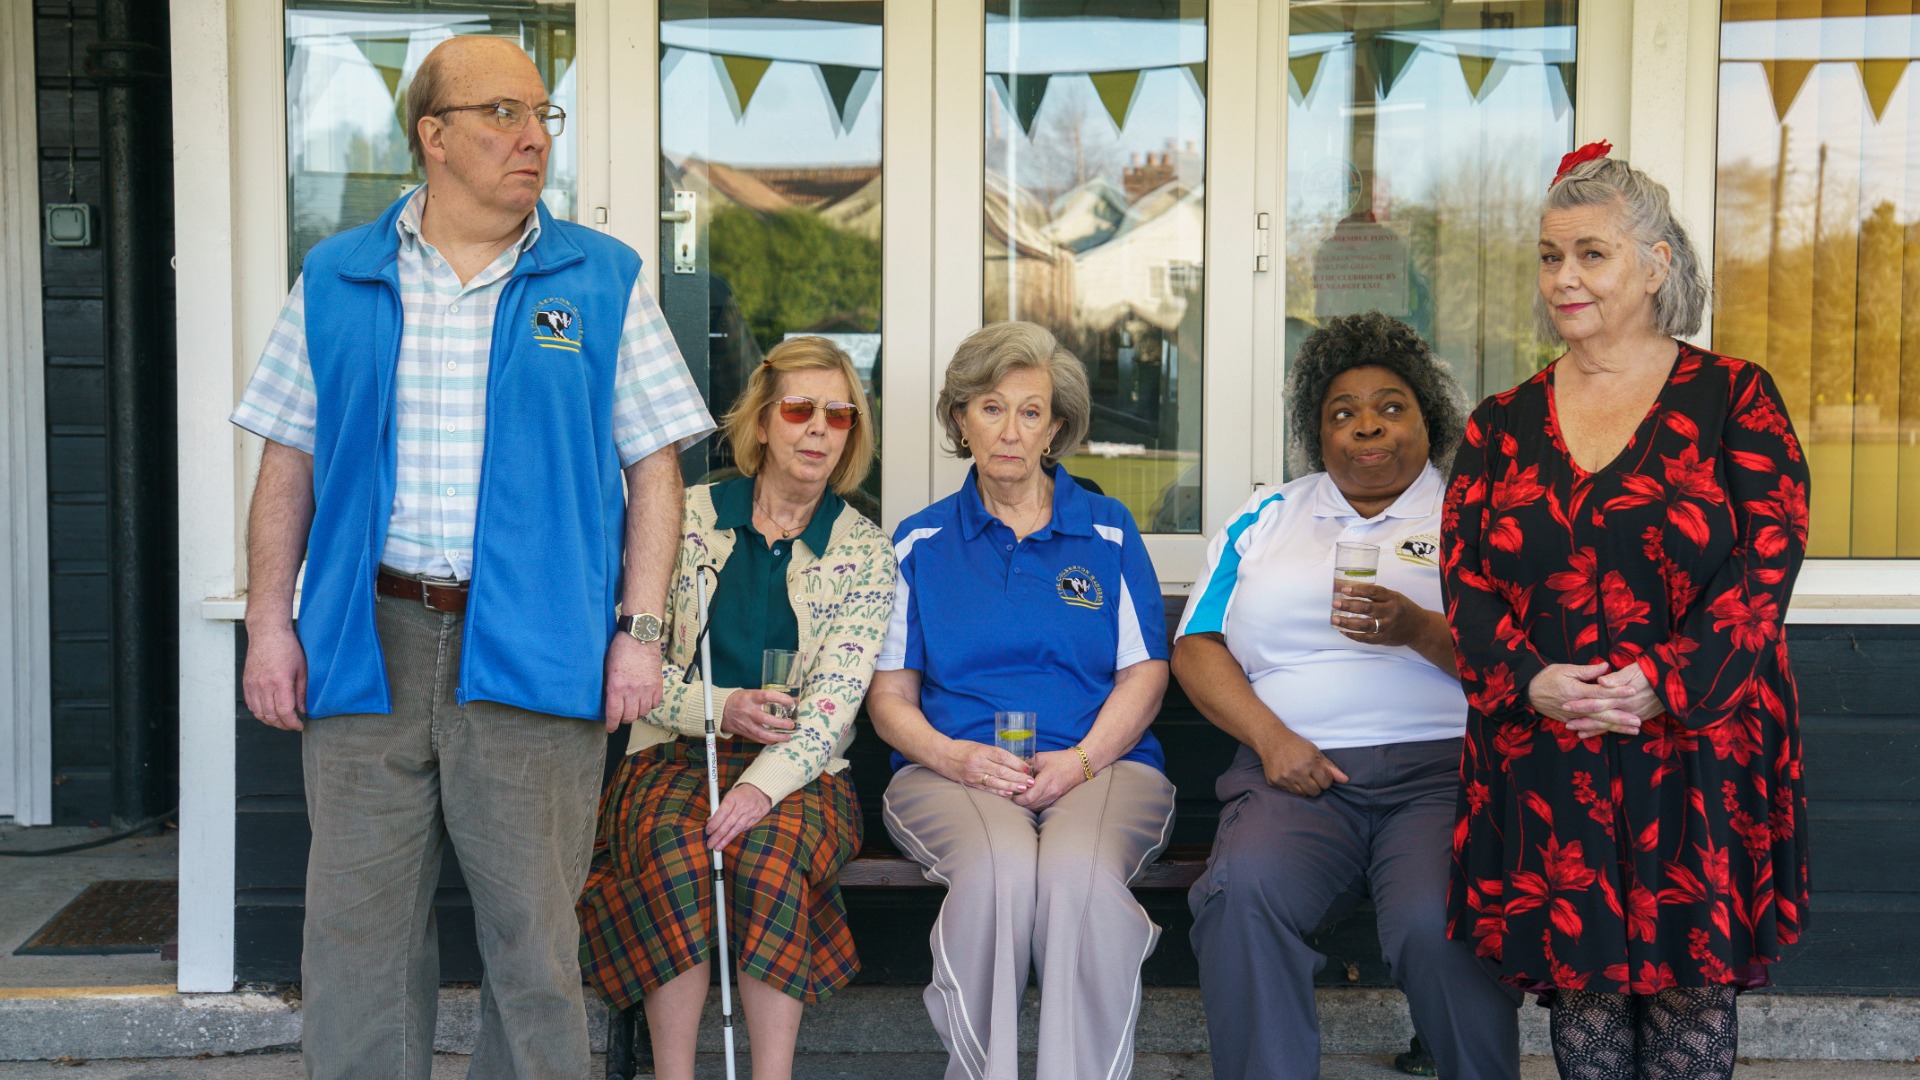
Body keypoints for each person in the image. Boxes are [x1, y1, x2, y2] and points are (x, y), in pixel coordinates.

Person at [231, 36, 713, 1080]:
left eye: (543, 114)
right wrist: (270, 624)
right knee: (354, 939)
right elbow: (288, 460)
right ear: (433, 136)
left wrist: (639, 631)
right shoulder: (337, 275)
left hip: (538, 641)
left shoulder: (602, 279)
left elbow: (656, 468)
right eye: (503, 113)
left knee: (534, 941)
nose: (533, 135)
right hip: (366, 641)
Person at [1442, 143, 1811, 1080]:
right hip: (1553, 744)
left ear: (1656, 265)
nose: (1563, 277)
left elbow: (1769, 558)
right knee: (1586, 997)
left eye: (1591, 253)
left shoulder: (1735, 398)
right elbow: (1464, 577)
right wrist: (1532, 681)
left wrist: (1665, 681)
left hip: (1697, 747)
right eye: (1549, 255)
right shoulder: (1499, 422)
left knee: (1693, 998)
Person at [1174, 311, 1521, 1080]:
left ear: (1429, 419)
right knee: (1242, 896)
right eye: (1343, 413)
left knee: (1440, 922)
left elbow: (1523, 666)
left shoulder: (1478, 514)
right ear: (1317, 431)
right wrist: (1272, 740)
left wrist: (1419, 630)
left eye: (1391, 407)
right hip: (1295, 773)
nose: (1367, 426)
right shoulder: (1267, 516)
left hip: (1444, 775)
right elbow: (1197, 646)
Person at [578, 337, 895, 1080]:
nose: (818, 429)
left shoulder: (866, 552)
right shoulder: (685, 519)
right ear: (761, 421)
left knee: (770, 856)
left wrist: (759, 788)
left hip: (802, 773)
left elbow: (834, 706)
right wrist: (722, 708)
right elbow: (633, 668)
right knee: (677, 851)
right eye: (800, 409)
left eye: (839, 415)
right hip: (671, 753)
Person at [868, 321, 1176, 1080]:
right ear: (960, 420)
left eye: (1030, 412)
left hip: (1103, 766)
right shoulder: (918, 542)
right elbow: (890, 696)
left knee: (1077, 877)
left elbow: (1145, 673)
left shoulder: (1107, 532)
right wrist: (954, 757)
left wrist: (1081, 760)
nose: (1010, 431)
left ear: (1055, 429)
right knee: (1000, 869)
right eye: (991, 408)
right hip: (953, 773)